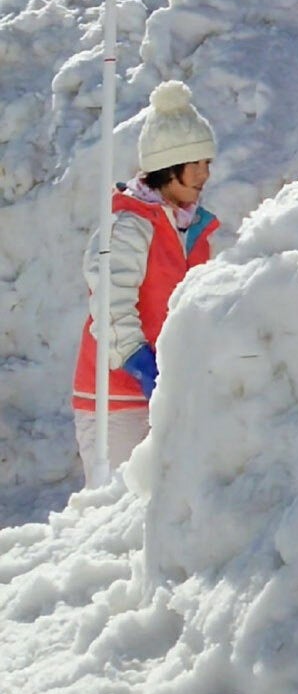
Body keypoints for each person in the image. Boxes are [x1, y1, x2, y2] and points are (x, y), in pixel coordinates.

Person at [70, 79, 218, 483]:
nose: (206, 173)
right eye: (197, 163)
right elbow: (110, 301)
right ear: (169, 168)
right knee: (117, 518)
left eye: (208, 162)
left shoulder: (192, 228)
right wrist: (140, 364)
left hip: (165, 396)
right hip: (115, 402)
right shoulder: (130, 224)